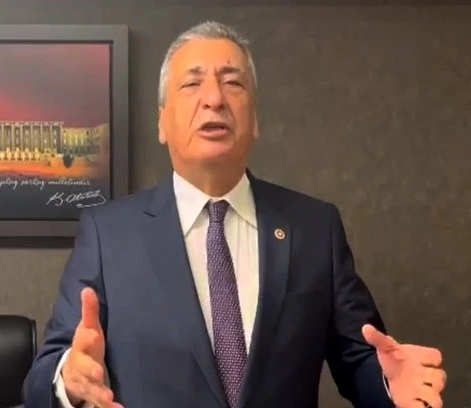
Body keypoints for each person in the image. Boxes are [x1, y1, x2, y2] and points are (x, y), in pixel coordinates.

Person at [23, 21, 446, 408]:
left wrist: (390, 384)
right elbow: (40, 382)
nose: (214, 99)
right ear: (162, 123)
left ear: (255, 120)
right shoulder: (109, 234)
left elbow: (359, 358)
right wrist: (69, 381)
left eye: (232, 83)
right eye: (192, 84)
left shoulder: (315, 229)